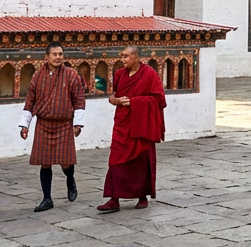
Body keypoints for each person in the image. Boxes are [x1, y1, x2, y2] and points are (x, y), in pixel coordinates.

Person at [18, 42, 87, 212]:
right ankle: (47, 198)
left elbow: (79, 99)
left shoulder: (71, 75)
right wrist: (24, 125)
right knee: (45, 163)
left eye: (61, 54)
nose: (58, 57)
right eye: (54, 54)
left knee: (65, 162)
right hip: (43, 123)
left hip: (64, 124)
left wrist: (78, 123)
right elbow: (30, 101)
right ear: (46, 57)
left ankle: (70, 179)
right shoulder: (37, 76)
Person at [98, 46, 166, 213]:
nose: (123, 59)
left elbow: (159, 99)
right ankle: (114, 199)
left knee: (140, 160)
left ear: (136, 57)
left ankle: (142, 196)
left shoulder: (149, 74)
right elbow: (113, 96)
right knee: (115, 159)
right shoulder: (120, 74)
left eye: (127, 56)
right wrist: (114, 101)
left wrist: (135, 102)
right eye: (122, 56)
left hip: (141, 124)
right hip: (122, 123)